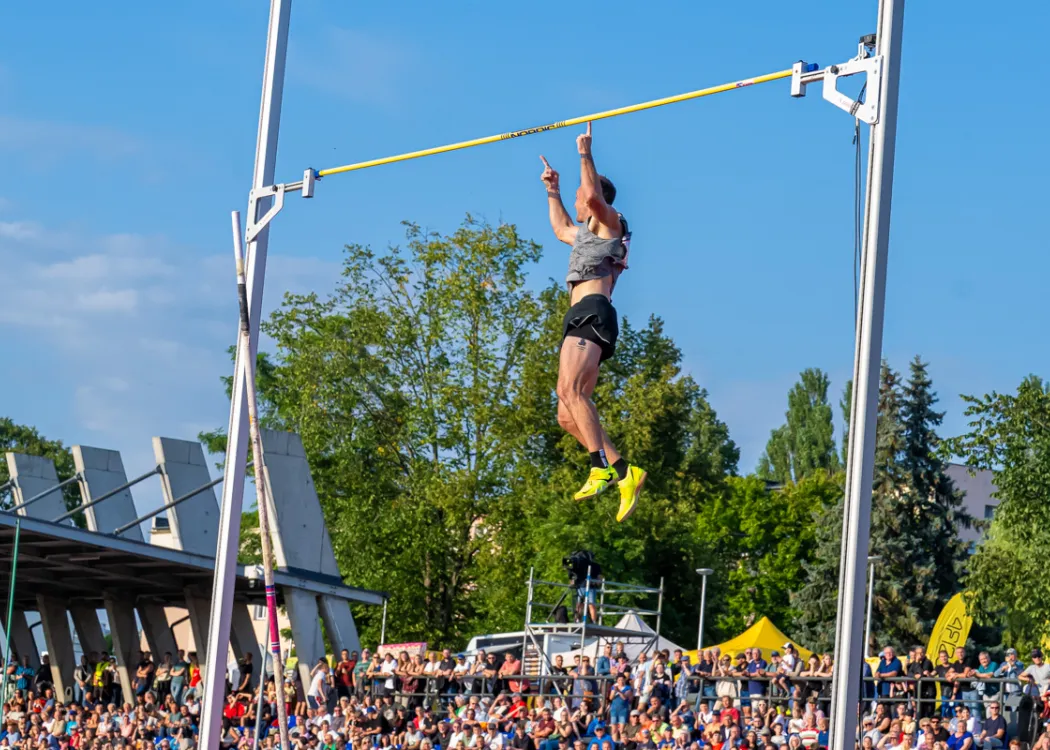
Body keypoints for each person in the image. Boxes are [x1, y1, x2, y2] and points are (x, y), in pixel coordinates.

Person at [539, 122, 646, 522]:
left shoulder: (609, 223)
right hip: (579, 316)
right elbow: (560, 228)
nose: (578, 200)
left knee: (569, 389)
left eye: (580, 196)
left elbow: (593, 198)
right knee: (566, 413)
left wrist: (585, 153)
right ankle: (624, 471)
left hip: (593, 311)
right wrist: (552, 189)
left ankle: (599, 467)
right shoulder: (585, 234)